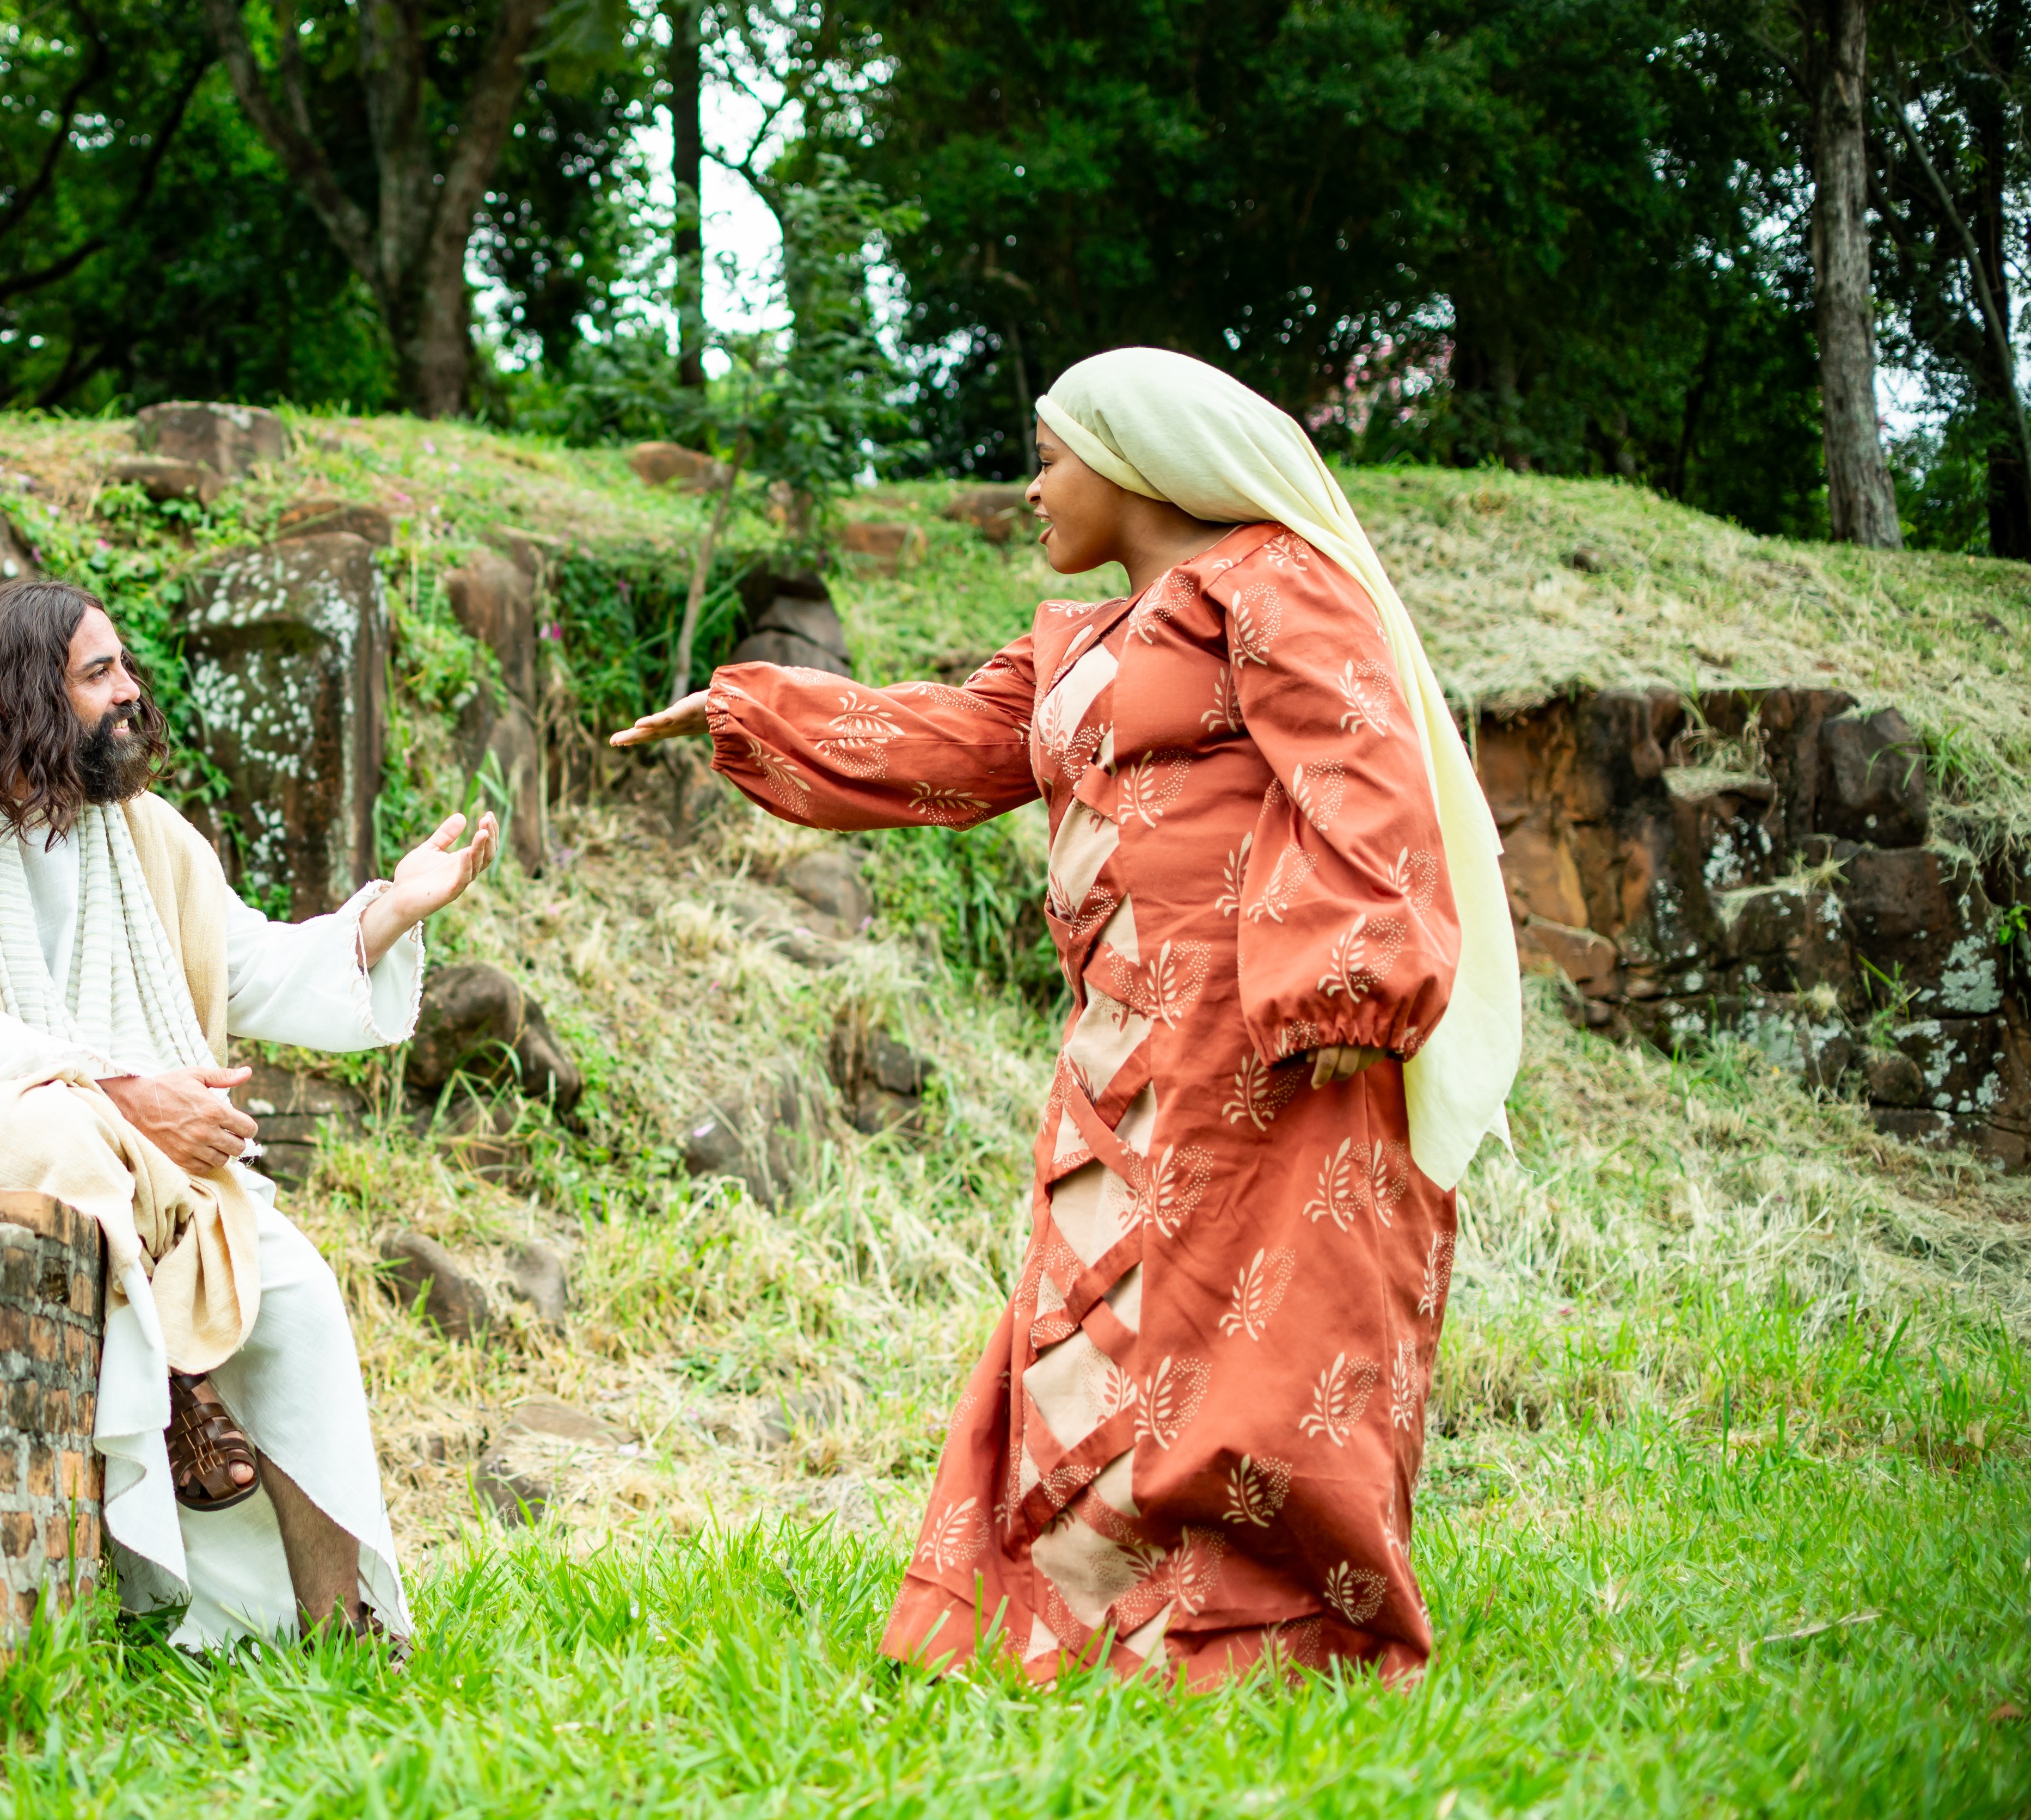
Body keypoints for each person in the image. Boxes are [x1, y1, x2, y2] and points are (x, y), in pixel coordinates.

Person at [612, 347, 1519, 1685]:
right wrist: (751, 707)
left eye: (1047, 457)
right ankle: (1094, 1625)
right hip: (1122, 1056)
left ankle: (1268, 1640)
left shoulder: (1277, 582)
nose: (1029, 489)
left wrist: (1350, 976)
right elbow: (945, 746)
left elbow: (1360, 769)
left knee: (1256, 1350)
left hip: (1269, 1046)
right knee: (1102, 1333)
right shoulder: (1079, 644)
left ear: (1137, 455)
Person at [0, 577, 497, 1651]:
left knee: (295, 1285)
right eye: (98, 672)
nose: (129, 692)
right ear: (28, 692)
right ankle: (179, 1387)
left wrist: (389, 910)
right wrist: (119, 1091)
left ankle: (337, 1621)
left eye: (124, 666)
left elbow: (246, 960)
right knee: (60, 1135)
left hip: (144, 1158)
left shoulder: (144, 834)